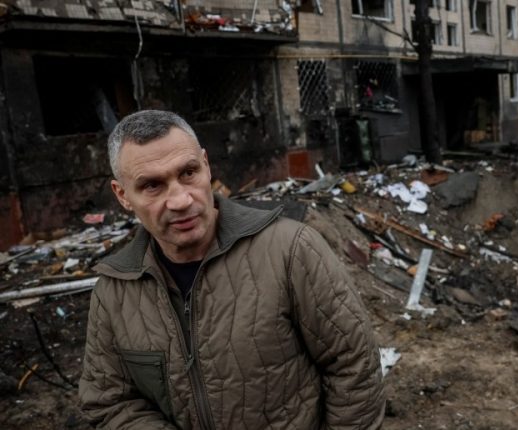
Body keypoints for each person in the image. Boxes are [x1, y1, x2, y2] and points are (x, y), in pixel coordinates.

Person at [79, 110, 386, 429]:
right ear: (122, 195)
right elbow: (110, 402)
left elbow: (355, 367)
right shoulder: (114, 291)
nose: (181, 200)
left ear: (206, 165)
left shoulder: (290, 251)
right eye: (152, 185)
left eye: (188, 172)